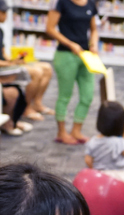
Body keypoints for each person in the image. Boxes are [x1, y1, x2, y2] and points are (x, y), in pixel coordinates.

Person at [46, 0, 98, 145]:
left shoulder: (90, 3)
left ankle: (76, 129)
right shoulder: (61, 2)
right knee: (64, 95)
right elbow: (50, 28)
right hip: (65, 55)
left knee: (87, 95)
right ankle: (61, 132)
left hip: (86, 55)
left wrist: (93, 44)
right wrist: (70, 44)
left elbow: (94, 29)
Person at [0, 0, 53, 123]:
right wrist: (9, 64)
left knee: (46, 67)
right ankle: (27, 108)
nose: (6, 15)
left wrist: (14, 60)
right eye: (3, 12)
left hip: (4, 65)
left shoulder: (0, 31)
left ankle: (37, 103)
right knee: (35, 72)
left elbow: (3, 53)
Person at [84, 102, 124, 186]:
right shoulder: (118, 142)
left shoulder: (92, 141)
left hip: (100, 175)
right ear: (121, 125)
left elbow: (88, 160)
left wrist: (95, 170)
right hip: (119, 175)